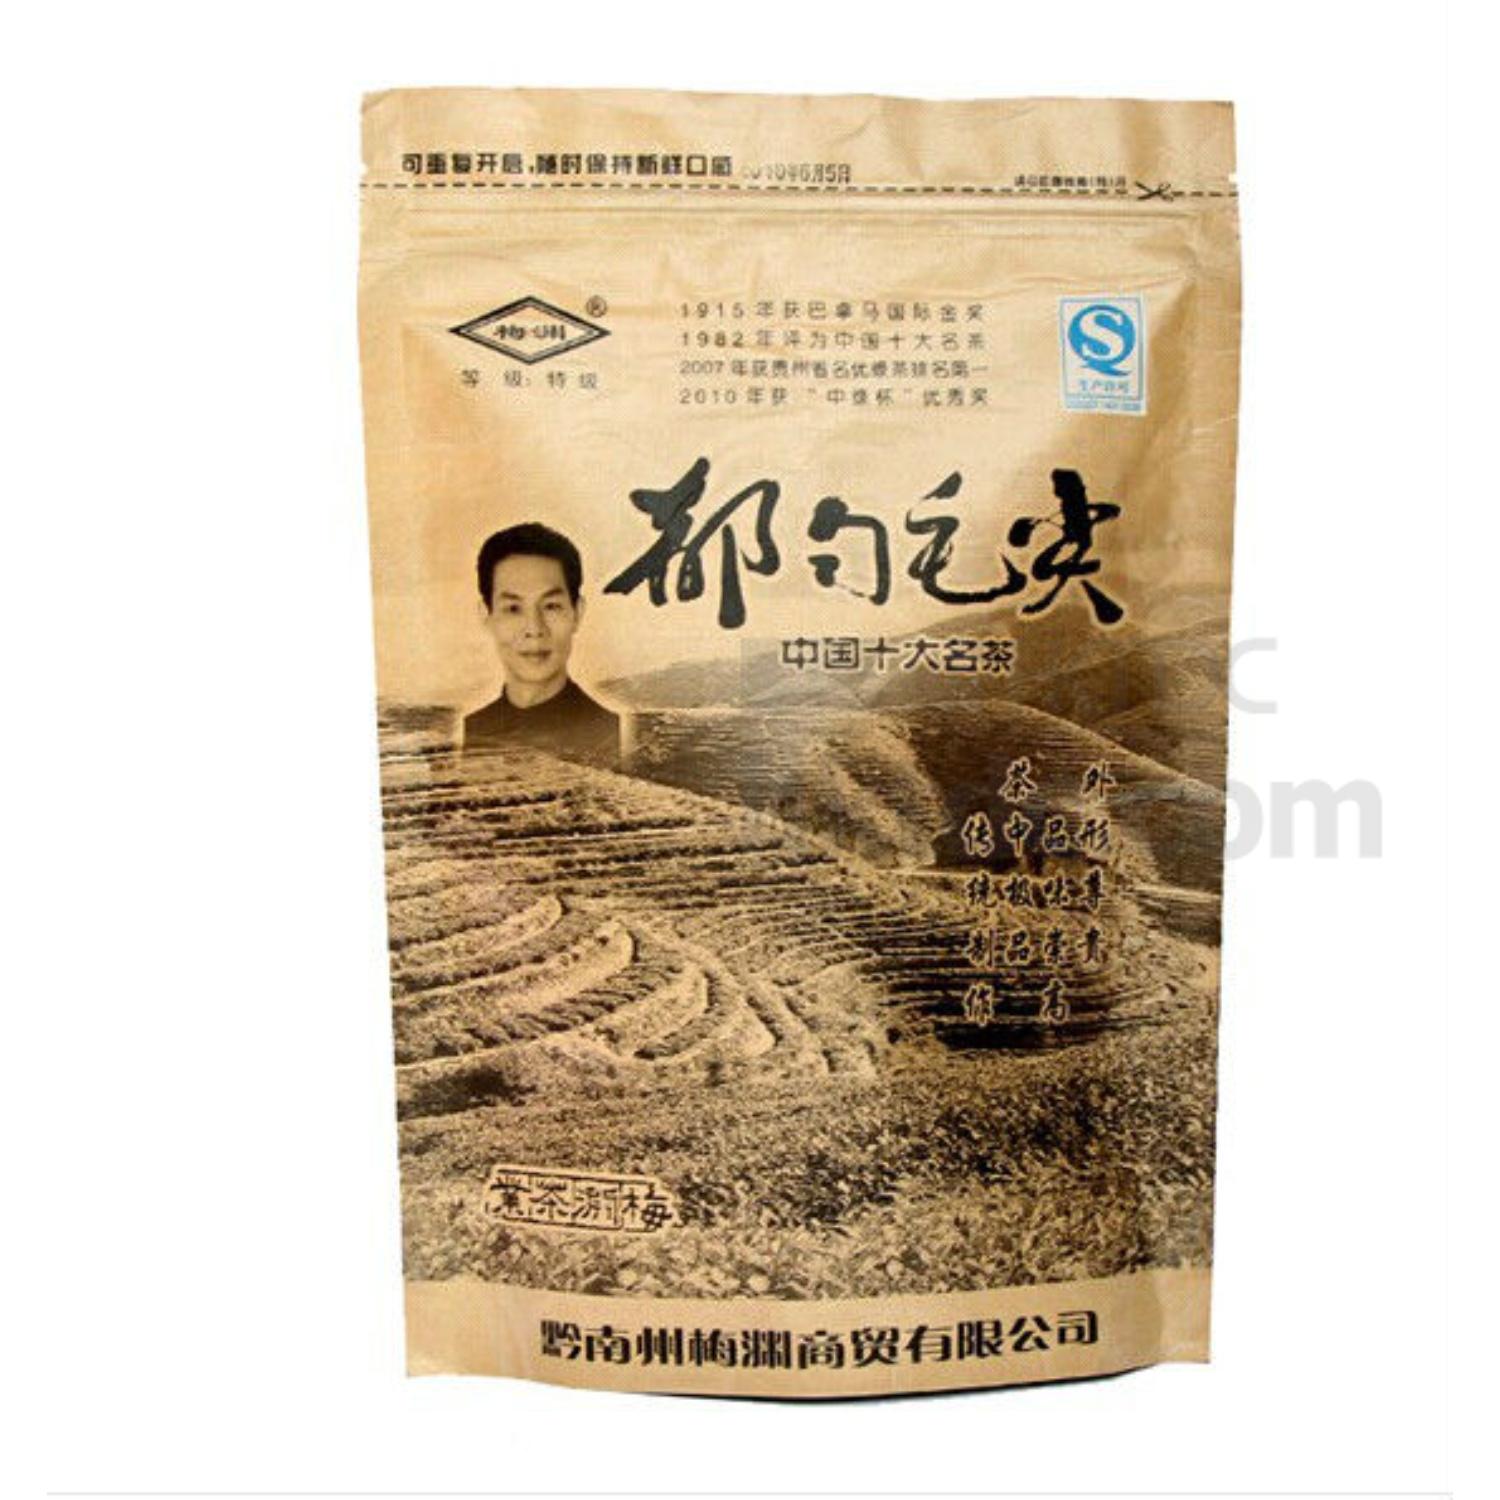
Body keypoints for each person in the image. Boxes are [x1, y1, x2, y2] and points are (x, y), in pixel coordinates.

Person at [462, 521, 620, 767]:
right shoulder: (472, 731)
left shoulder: (612, 733)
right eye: (513, 609)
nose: (535, 629)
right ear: (487, 616)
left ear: (577, 613)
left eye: (551, 606)